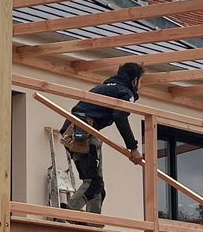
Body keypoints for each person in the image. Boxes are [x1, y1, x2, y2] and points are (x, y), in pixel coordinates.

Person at [61, 62, 145, 215]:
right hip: (85, 130)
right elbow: (120, 116)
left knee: (97, 187)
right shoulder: (125, 92)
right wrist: (133, 148)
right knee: (93, 183)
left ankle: (93, 225)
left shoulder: (103, 88)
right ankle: (66, 214)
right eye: (140, 82)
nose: (140, 86)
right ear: (134, 80)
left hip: (70, 133)